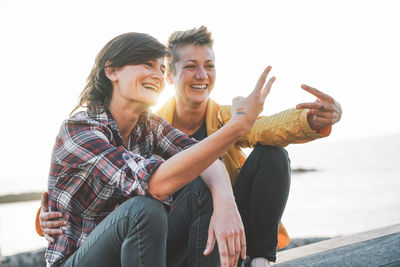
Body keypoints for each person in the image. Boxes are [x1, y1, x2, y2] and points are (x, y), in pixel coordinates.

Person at [38, 27, 342, 267]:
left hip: (146, 249)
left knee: (204, 186)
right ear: (112, 71)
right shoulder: (80, 129)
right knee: (144, 207)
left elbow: (219, 154)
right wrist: (236, 126)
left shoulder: (150, 126)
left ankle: (256, 260)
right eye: (148, 65)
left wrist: (224, 200)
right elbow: (153, 185)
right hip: (84, 258)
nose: (157, 74)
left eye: (160, 67)